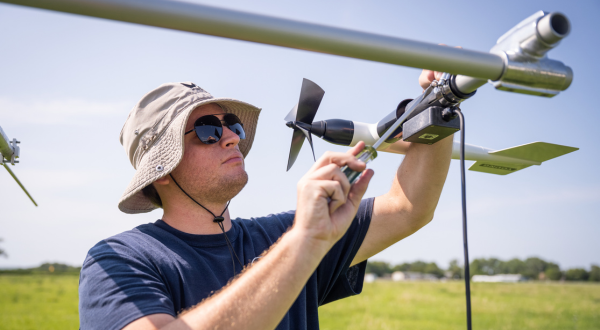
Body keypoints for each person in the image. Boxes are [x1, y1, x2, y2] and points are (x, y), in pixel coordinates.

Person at [79, 69, 453, 330]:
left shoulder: (290, 233)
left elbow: (409, 208)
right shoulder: (116, 261)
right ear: (161, 171)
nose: (231, 137)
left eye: (232, 125)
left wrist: (441, 100)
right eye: (208, 131)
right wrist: (303, 244)